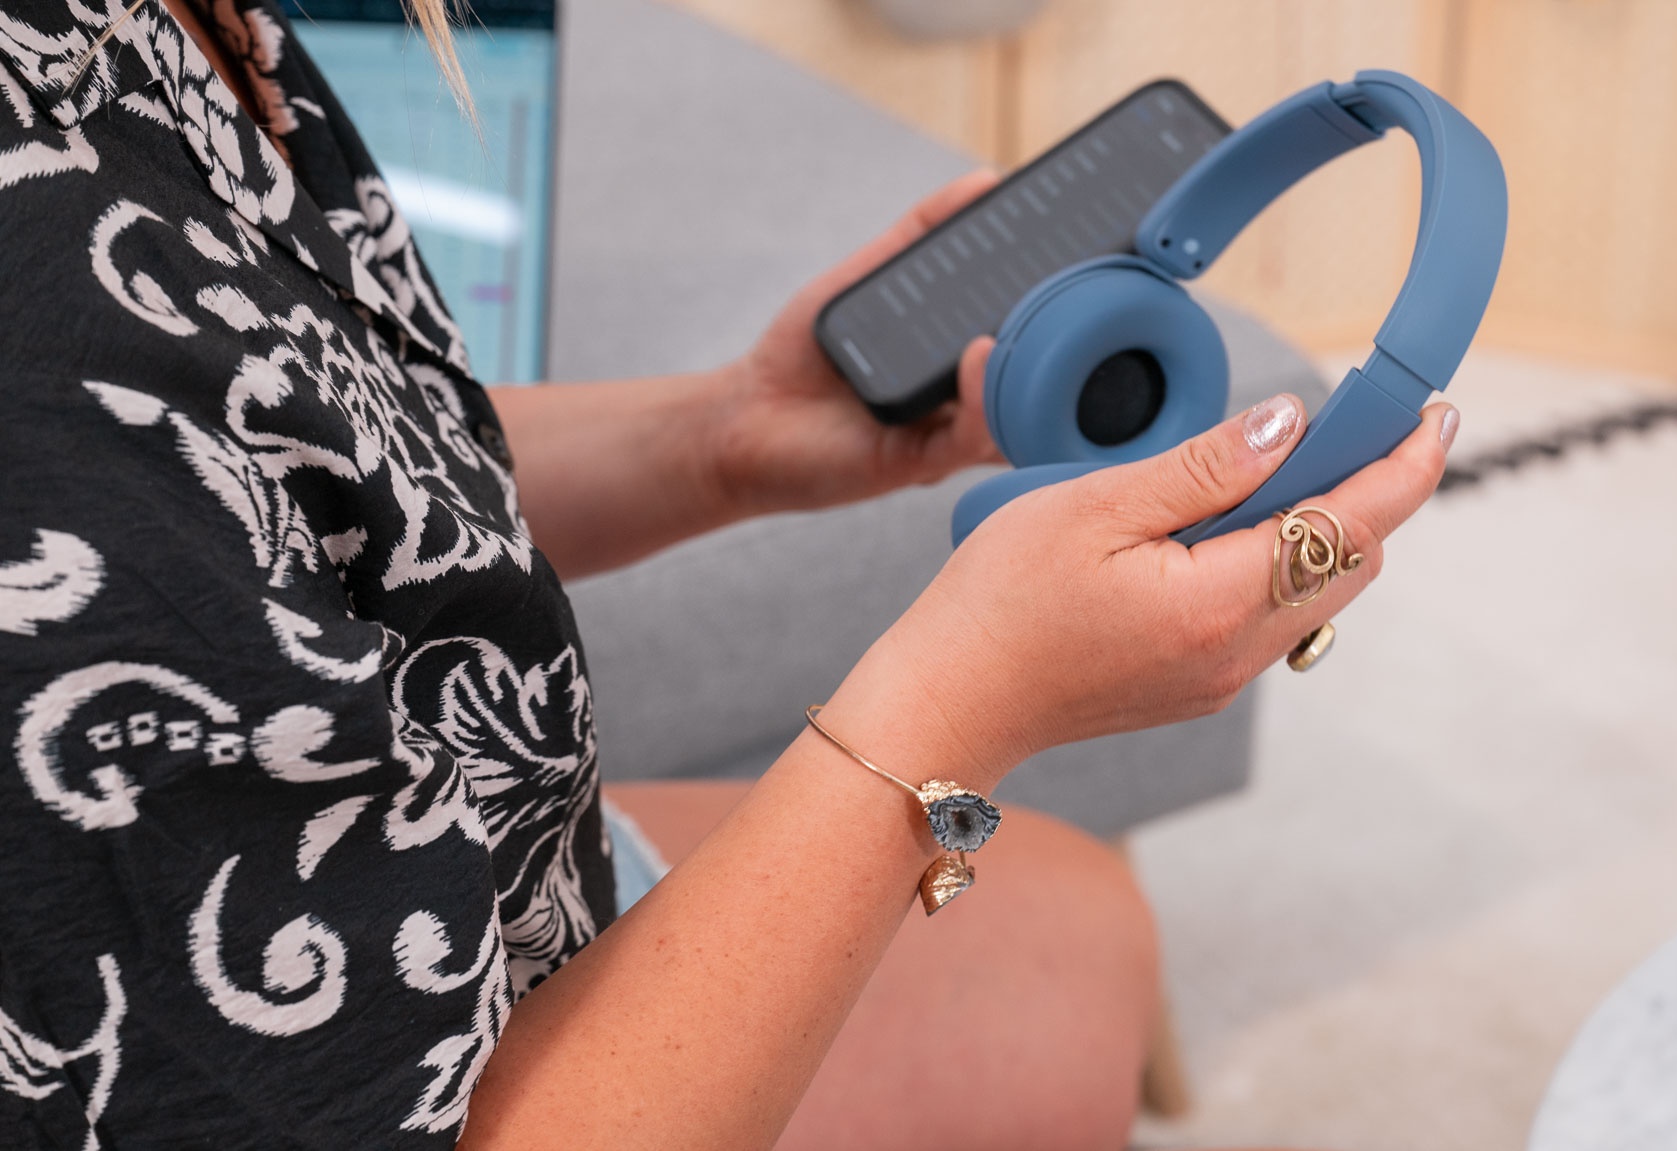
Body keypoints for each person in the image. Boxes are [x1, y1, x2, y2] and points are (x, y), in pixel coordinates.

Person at [0, 0, 1457, 1147]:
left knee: (1078, 941)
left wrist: (720, 442)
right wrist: (960, 708)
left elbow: (285, 470)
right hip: (424, 1064)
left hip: (476, 869)